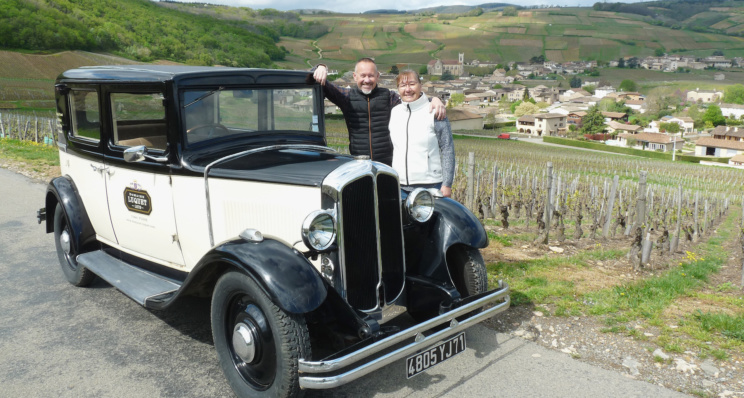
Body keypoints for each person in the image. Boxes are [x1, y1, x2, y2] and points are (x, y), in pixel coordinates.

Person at [313, 59, 445, 166]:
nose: (367, 80)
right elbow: (316, 82)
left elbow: (411, 99)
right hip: (359, 164)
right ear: (355, 76)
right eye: (363, 75)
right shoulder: (346, 96)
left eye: (370, 75)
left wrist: (433, 99)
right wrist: (320, 67)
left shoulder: (388, 97)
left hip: (388, 165)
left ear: (377, 76)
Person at [388, 70, 454, 198]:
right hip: (399, 186)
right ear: (398, 89)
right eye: (403, 85)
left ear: (420, 85)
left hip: (430, 186)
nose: (408, 89)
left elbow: (447, 148)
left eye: (412, 84)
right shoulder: (395, 112)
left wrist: (447, 184)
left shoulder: (434, 111)